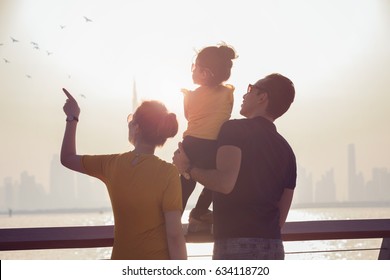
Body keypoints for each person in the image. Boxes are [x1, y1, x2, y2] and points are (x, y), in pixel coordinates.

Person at [173, 73, 296, 260]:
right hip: (273, 247)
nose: (245, 95)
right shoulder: (287, 151)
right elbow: (280, 218)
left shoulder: (234, 129)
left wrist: (187, 168)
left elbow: (224, 183)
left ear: (263, 97)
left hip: (236, 246)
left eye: (251, 89)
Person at [60, 88, 187, 260]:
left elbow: (67, 158)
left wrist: (72, 117)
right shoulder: (168, 172)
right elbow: (174, 235)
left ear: (137, 128)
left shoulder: (112, 164)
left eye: (131, 120)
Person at [180, 43, 237, 233]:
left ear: (204, 73)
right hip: (214, 146)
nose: (192, 70)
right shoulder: (228, 93)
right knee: (216, 180)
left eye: (195, 67)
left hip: (191, 144)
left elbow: (189, 117)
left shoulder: (190, 96)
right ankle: (200, 210)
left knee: (185, 182)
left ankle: (172, 215)